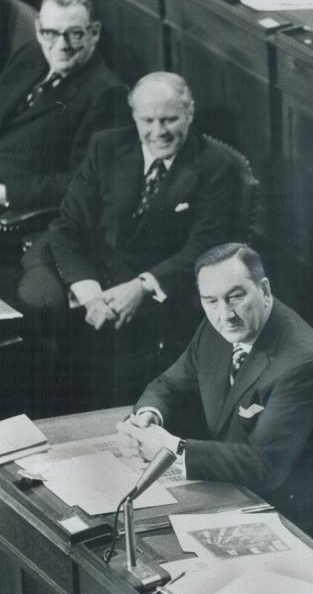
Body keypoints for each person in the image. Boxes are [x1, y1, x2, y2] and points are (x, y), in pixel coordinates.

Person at [17, 73, 244, 403]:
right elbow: (67, 226)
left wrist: (142, 287)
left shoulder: (216, 166)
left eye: (169, 120)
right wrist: (91, 293)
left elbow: (205, 247)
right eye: (147, 120)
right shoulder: (106, 146)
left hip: (155, 283)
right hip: (88, 269)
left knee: (98, 361)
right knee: (33, 316)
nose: (158, 132)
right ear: (134, 117)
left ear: (189, 113)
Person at [117, 242, 313, 538]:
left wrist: (171, 450)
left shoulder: (303, 361)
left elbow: (265, 466)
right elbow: (168, 385)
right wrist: (147, 418)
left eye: (236, 297)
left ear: (265, 290)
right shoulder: (215, 328)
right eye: (211, 301)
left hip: (288, 514)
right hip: (226, 488)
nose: (225, 314)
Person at [0, 0, 126, 209]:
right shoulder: (31, 54)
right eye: (51, 33)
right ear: (39, 31)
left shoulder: (106, 95)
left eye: (75, 34)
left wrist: (6, 194)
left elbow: (83, 182)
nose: (62, 46)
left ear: (94, 33)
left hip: (15, 207)